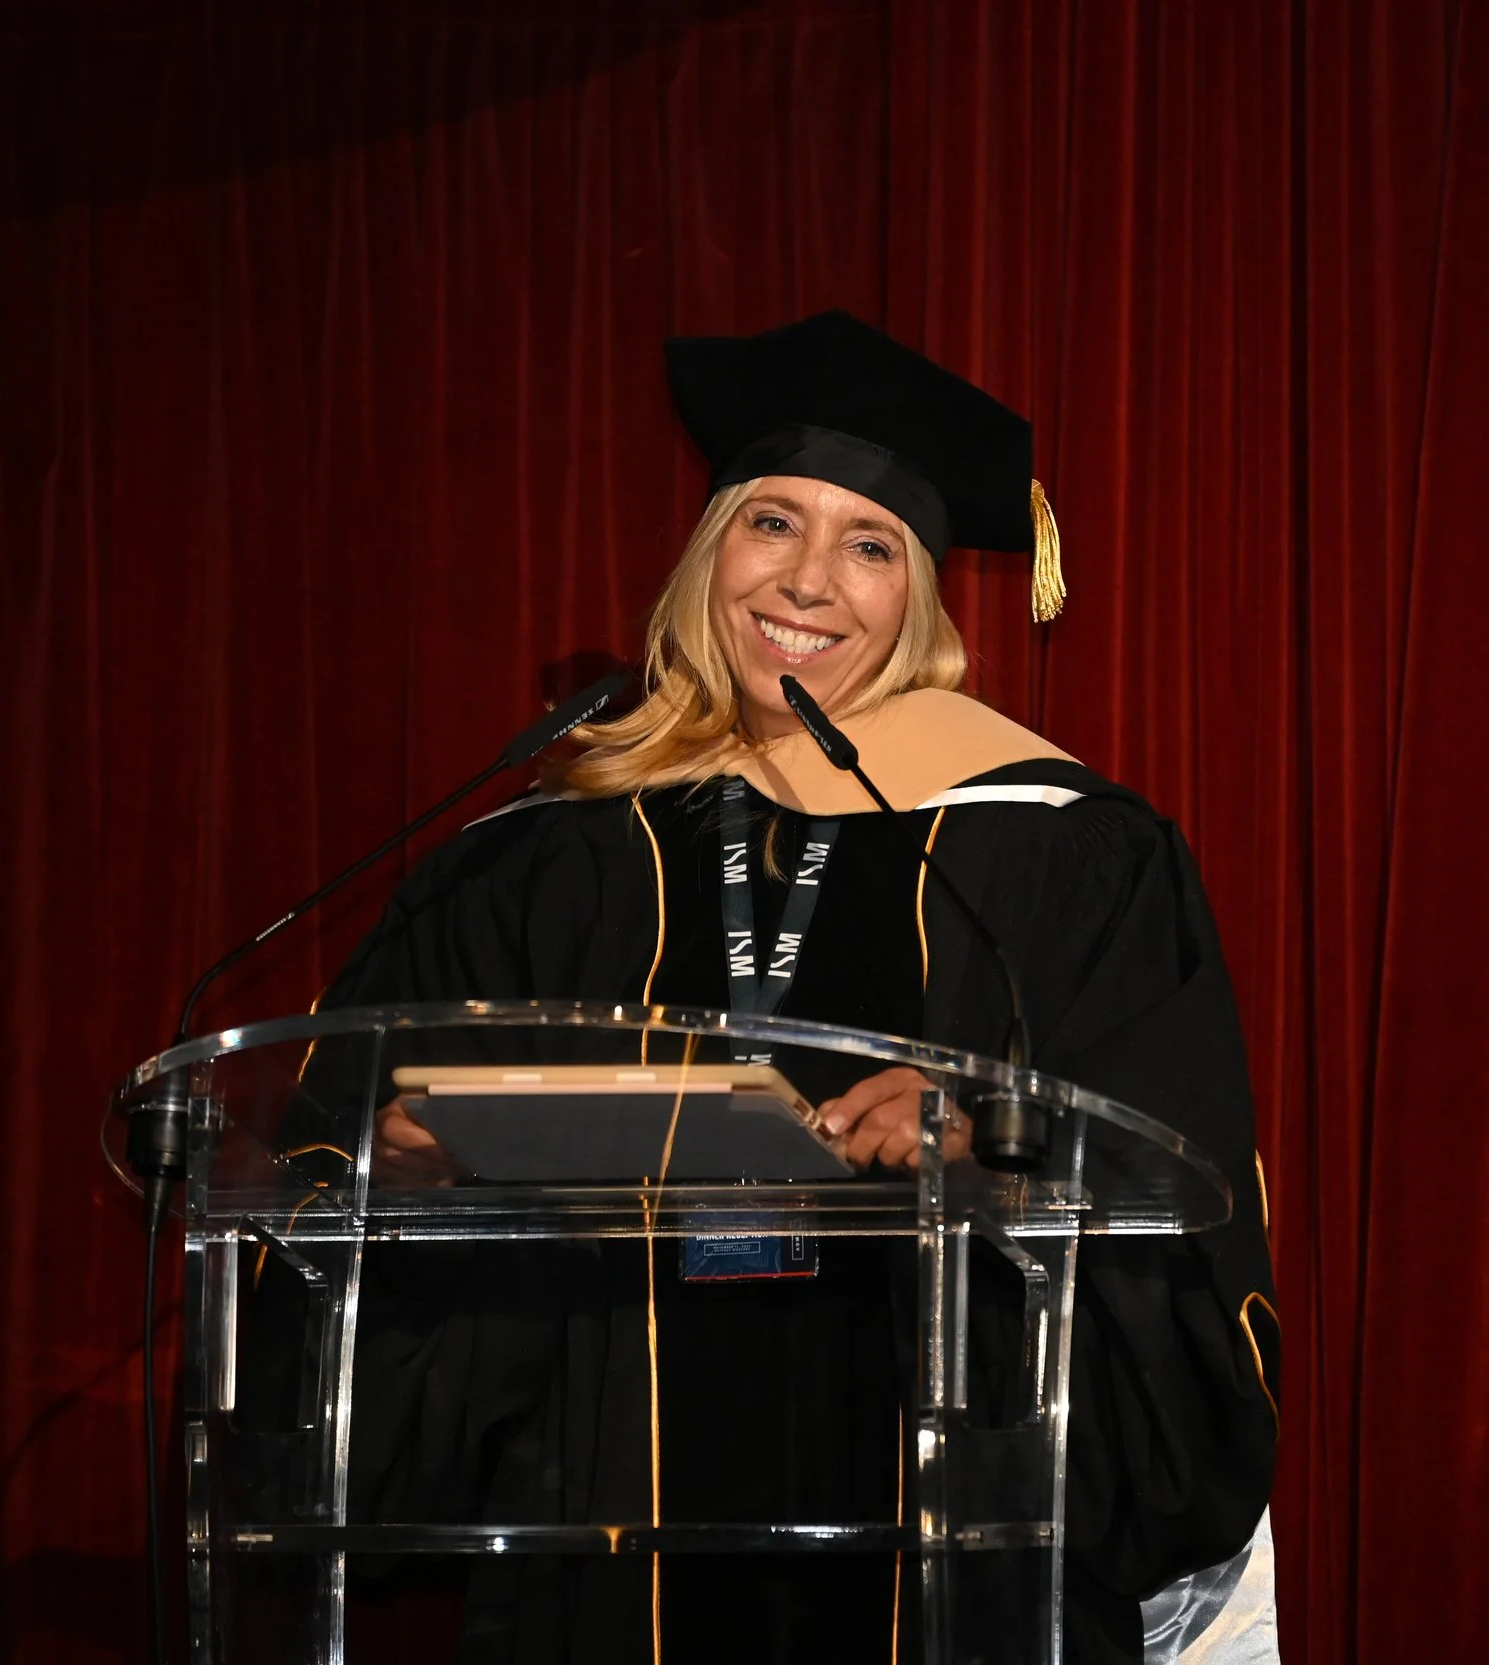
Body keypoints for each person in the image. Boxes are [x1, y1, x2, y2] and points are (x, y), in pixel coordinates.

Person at [287, 311, 1280, 1663]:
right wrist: (397, 1170)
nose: (811, 583)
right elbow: (334, 1137)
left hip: (955, 1548)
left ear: (917, 596)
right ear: (709, 558)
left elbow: (1175, 1182)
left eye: (869, 545)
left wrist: (1000, 1135)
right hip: (604, 1531)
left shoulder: (1054, 850)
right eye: (773, 525)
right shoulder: (543, 853)